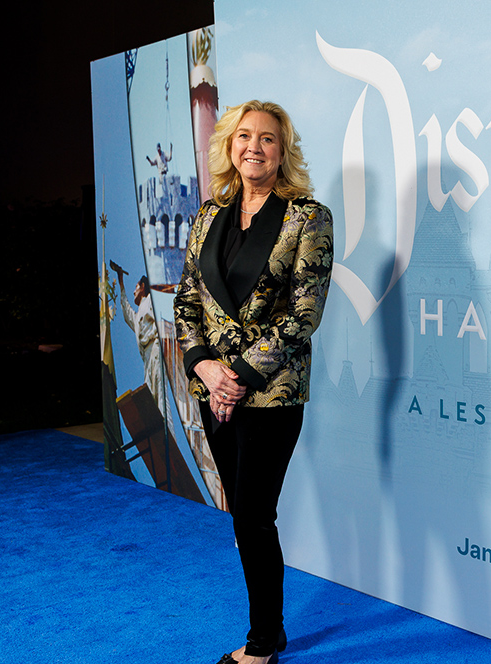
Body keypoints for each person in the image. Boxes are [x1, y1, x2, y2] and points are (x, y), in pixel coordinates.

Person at [174, 100, 333, 664]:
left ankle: (263, 642)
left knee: (252, 514)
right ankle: (271, 630)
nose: (254, 147)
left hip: (269, 394)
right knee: (243, 517)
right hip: (212, 390)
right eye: (244, 136)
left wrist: (237, 375)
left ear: (282, 150)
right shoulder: (207, 216)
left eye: (267, 138)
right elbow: (187, 302)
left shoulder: (307, 217)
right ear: (229, 146)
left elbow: (303, 314)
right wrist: (205, 367)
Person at [117, 273, 168, 420]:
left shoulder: (151, 300)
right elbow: (127, 313)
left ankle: (166, 428)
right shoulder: (138, 314)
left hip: (156, 347)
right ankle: (156, 430)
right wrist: (121, 283)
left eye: (136, 287)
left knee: (159, 389)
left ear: (143, 286)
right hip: (146, 357)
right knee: (150, 395)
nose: (134, 291)